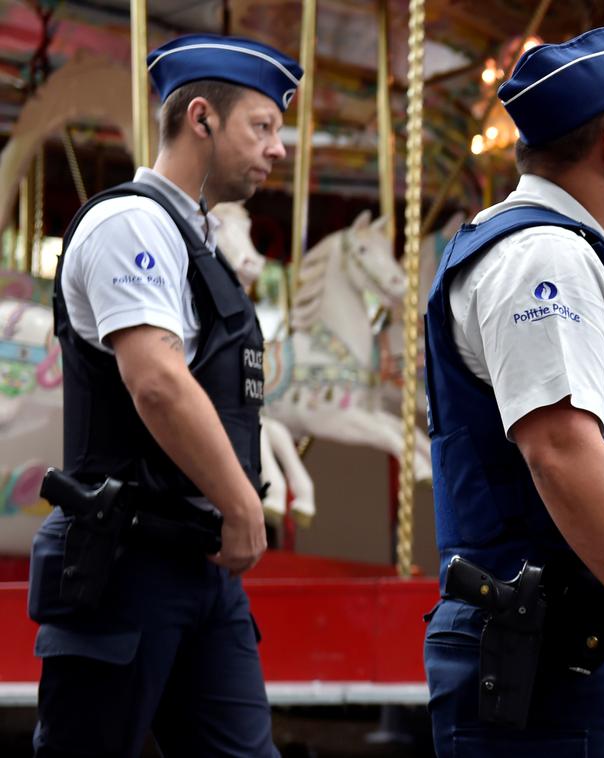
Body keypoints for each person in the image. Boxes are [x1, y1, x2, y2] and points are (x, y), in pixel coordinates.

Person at [423, 25, 604, 757]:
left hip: (603, 646)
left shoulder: (573, 252)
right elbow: (559, 447)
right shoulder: (543, 258)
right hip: (556, 654)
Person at [26, 34, 301, 756]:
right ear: (202, 118)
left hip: (200, 565)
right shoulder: (131, 225)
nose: (279, 149)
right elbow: (156, 381)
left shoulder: (195, 242)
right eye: (263, 126)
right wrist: (245, 504)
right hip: (125, 560)